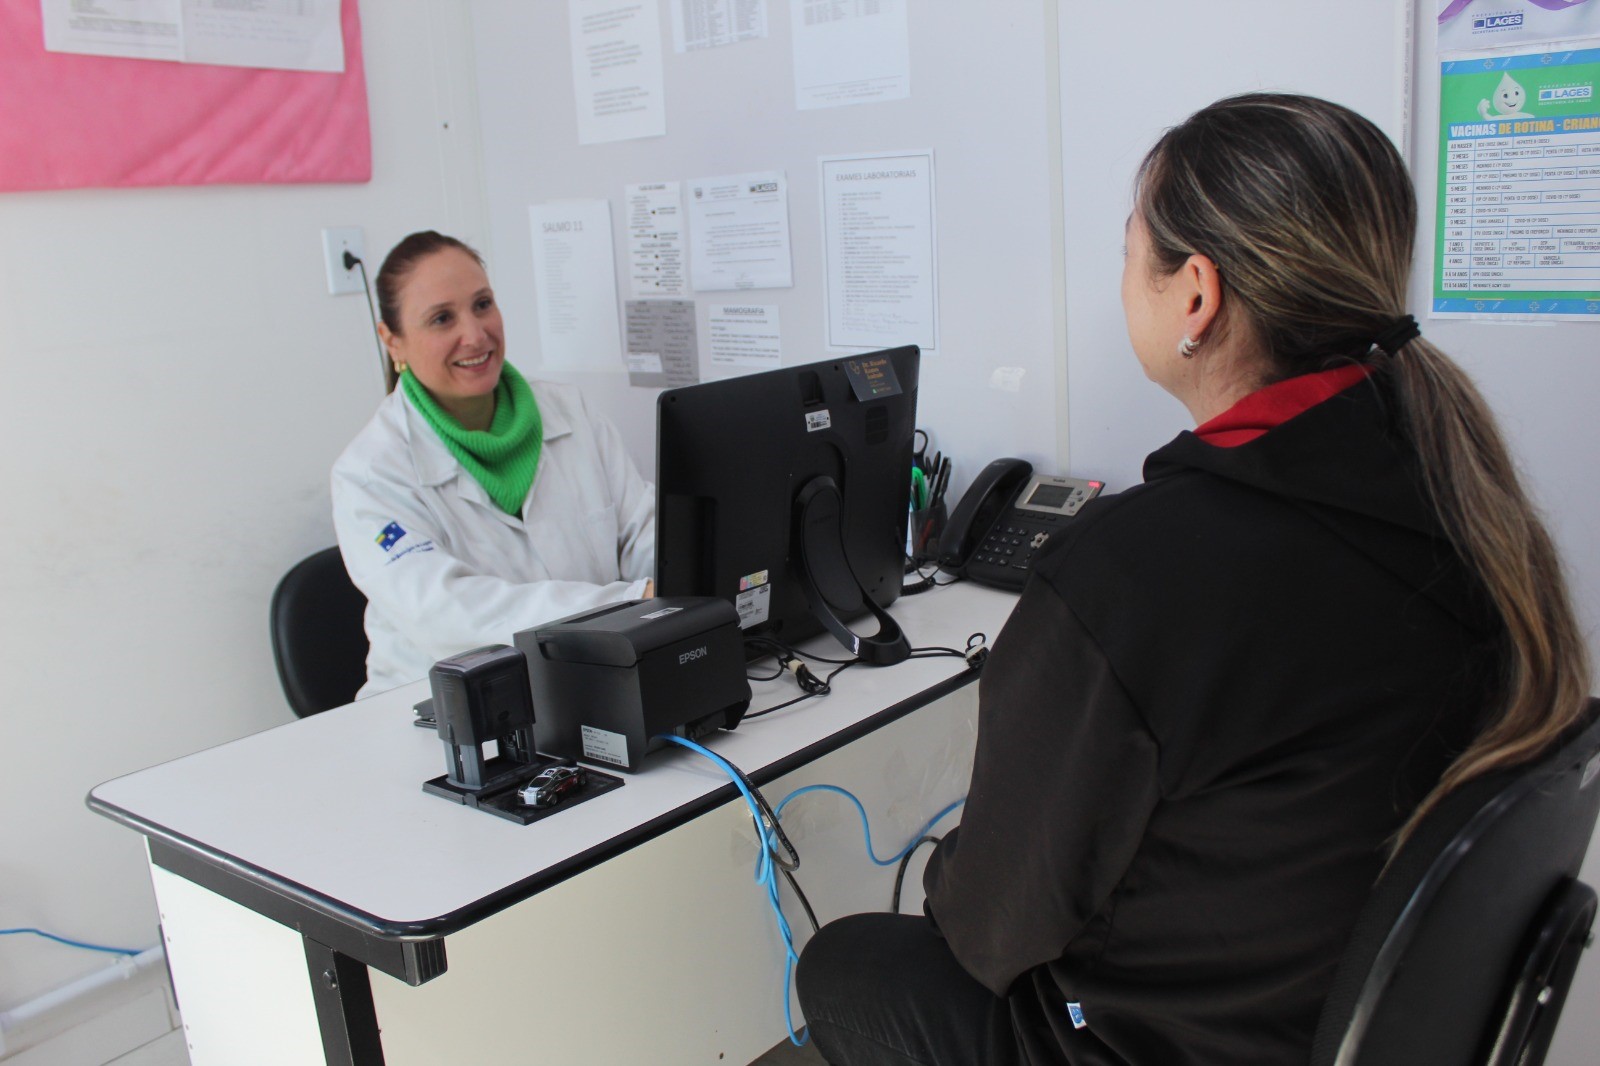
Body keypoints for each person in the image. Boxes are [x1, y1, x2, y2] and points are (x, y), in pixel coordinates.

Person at [795, 94, 1593, 1065]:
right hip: (1318, 1019)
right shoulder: (1462, 497)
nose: (1122, 275)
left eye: (1130, 248)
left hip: (1171, 1042)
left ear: (1196, 295)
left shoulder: (1130, 574)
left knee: (851, 962)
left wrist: (952, 869)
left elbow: (991, 931)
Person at [332, 231, 654, 697]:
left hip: (586, 683)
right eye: (442, 318)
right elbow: (449, 615)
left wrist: (689, 590)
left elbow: (643, 532)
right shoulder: (370, 474)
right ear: (392, 341)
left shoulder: (570, 413)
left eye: (482, 304)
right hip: (440, 711)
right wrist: (630, 603)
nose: (475, 334)